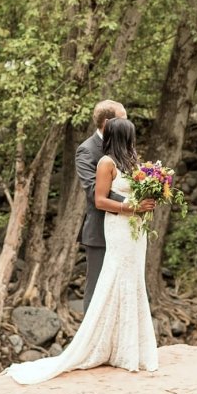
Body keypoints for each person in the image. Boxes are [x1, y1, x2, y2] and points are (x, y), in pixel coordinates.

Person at [7, 116, 159, 384]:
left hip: (136, 231)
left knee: (134, 281)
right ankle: (103, 345)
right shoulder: (106, 162)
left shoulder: (133, 163)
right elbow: (100, 200)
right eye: (131, 135)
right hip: (119, 227)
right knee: (115, 280)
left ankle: (129, 348)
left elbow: (137, 192)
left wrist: (151, 197)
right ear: (123, 136)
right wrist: (132, 207)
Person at [75, 100, 155, 313]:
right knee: (97, 288)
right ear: (109, 122)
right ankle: (92, 344)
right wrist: (133, 205)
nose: (127, 122)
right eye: (124, 117)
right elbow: (94, 192)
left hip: (128, 231)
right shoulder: (87, 150)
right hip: (101, 230)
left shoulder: (127, 149)